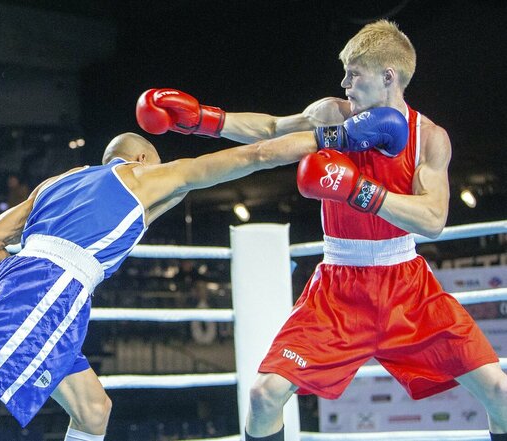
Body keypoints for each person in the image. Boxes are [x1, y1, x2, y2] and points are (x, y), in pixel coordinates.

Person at [0, 113, 405, 441]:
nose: (166, 186)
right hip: (48, 291)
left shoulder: (56, 184)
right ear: (138, 158)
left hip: (40, 287)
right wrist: (341, 136)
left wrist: (30, 276)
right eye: (158, 164)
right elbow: (255, 155)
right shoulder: (144, 174)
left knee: (93, 411)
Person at [135, 20, 507, 441]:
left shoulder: (430, 139)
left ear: (389, 76)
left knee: (500, 393)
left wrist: (360, 192)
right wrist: (204, 119)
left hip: (409, 287)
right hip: (338, 288)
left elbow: (434, 220)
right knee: (264, 396)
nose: (344, 81)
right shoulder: (333, 114)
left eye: (355, 72)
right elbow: (272, 130)